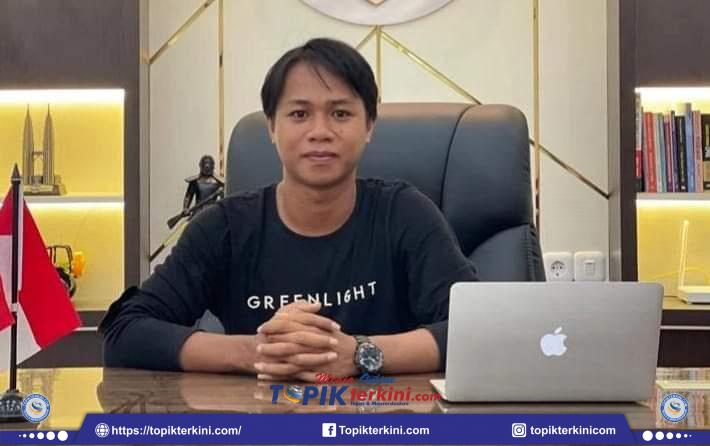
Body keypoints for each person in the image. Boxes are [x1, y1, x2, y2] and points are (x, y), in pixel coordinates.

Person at [100, 37, 478, 382]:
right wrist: (256, 352)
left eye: (340, 114)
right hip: (263, 420)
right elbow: (126, 332)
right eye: (299, 114)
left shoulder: (404, 214)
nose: (320, 131)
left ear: (369, 126)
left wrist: (360, 353)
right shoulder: (224, 227)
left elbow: (478, 331)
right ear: (271, 127)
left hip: (385, 420)